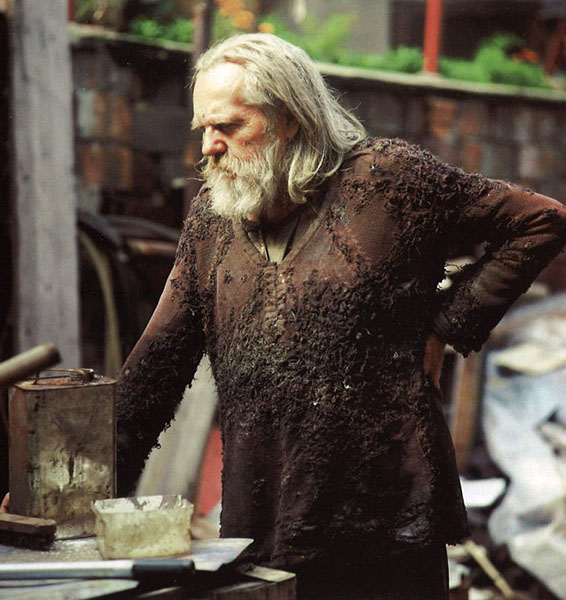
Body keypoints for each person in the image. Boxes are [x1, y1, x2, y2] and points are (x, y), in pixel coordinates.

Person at [116, 33, 566, 599]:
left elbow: (541, 222)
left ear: (289, 119)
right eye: (203, 129)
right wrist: (77, 481)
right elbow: (155, 367)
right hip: (263, 527)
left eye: (229, 127)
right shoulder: (211, 220)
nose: (209, 147)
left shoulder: (385, 181)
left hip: (384, 527)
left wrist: (446, 326)